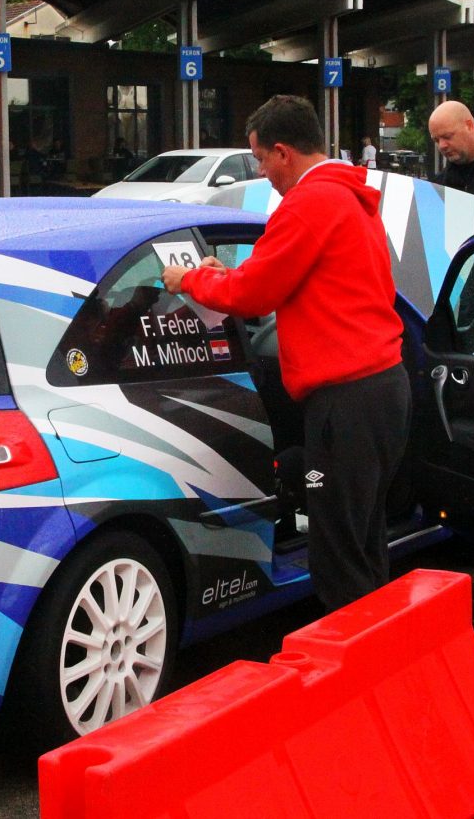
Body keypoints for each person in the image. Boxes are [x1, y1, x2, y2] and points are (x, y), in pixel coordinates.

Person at [162, 95, 410, 611]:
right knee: (363, 540)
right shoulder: (349, 197)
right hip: (384, 387)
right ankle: (380, 644)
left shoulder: (307, 203)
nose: (260, 171)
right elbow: (291, 277)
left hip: (343, 403)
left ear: (283, 152)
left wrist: (189, 279)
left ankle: (356, 654)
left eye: (260, 159)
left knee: (337, 556)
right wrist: (230, 275)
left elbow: (254, 295)